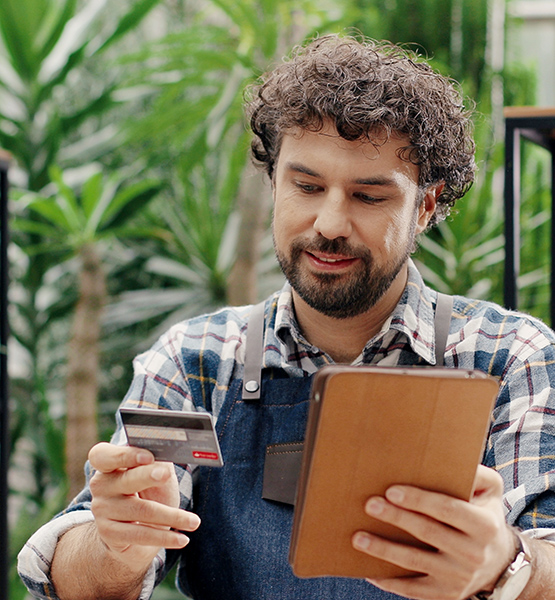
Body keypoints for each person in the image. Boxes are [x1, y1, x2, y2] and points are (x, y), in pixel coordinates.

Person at [18, 33, 555, 600]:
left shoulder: (509, 354)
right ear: (274, 182)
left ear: (424, 205)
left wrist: (505, 562)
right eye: (306, 185)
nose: (329, 223)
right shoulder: (195, 361)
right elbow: (77, 582)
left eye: (369, 196)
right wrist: (116, 548)